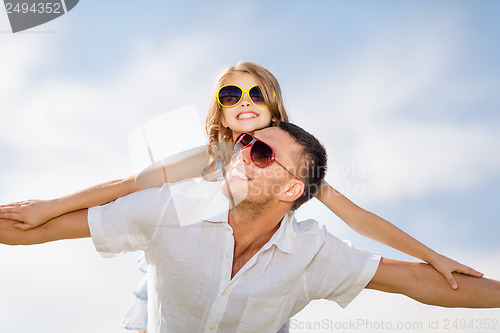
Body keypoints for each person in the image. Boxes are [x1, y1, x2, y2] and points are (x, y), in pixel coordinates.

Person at [0, 62, 482, 331]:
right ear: (220, 112)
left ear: (274, 106)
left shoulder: (294, 160)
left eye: (256, 94)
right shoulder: (208, 156)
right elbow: (130, 185)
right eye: (231, 96)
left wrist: (431, 255)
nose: (244, 103)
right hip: (183, 252)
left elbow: (360, 220)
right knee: (153, 301)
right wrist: (51, 205)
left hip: (258, 282)